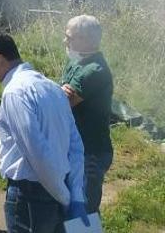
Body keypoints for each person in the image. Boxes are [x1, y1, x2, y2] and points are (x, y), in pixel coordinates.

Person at [0, 28, 88, 233]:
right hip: (62, 186)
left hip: (31, 197)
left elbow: (37, 153)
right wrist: (75, 195)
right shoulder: (51, 87)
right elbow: (75, 145)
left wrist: (65, 197)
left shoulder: (15, 93)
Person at [60, 15, 113, 213]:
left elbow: (64, 103)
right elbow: (62, 95)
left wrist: (59, 94)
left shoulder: (94, 70)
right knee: (72, 207)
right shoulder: (76, 62)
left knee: (83, 211)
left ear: (87, 39)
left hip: (90, 152)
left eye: (69, 37)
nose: (65, 41)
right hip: (78, 149)